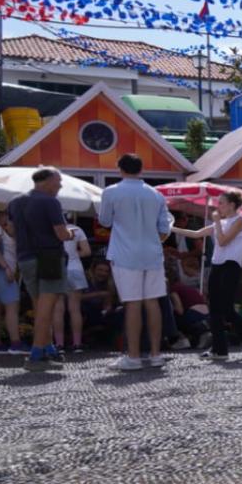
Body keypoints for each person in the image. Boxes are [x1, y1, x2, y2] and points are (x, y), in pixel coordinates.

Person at [97, 153, 174, 370]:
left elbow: (104, 220)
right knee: (152, 302)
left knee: (132, 303)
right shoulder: (156, 194)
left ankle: (133, 356)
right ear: (141, 169)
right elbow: (164, 228)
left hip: (125, 254)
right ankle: (156, 354)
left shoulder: (111, 191)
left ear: (119, 168)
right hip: (152, 253)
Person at [172, 189, 242, 361]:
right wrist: (171, 228)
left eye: (221, 203)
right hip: (217, 266)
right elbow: (196, 234)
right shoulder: (220, 222)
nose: (217, 206)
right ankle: (219, 349)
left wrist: (217, 223)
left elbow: (222, 241)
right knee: (214, 309)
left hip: (231, 266)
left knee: (227, 308)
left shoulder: (240, 221)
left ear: (232, 205)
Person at [9, 167, 74, 370]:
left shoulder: (15, 202)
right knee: (47, 307)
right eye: (58, 181)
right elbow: (61, 234)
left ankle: (48, 347)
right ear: (45, 182)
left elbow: (11, 231)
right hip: (49, 258)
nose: (60, 185)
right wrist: (71, 234)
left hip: (25, 258)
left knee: (39, 306)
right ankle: (36, 354)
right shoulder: (50, 202)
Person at [52, 213, 92, 353]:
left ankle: (59, 344)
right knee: (74, 309)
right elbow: (87, 251)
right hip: (75, 269)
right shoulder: (77, 229)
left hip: (56, 269)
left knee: (58, 309)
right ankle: (77, 344)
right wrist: (74, 255)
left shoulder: (51, 230)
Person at [0, 208, 25, 355]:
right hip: (3, 272)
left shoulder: (4, 230)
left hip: (0, 271)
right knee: (12, 307)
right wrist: (6, 267)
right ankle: (15, 343)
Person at [166, 259, 211, 348]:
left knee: (172, 317)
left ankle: (180, 339)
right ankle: (201, 335)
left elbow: (180, 310)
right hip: (206, 313)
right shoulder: (185, 287)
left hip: (194, 314)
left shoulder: (174, 289)